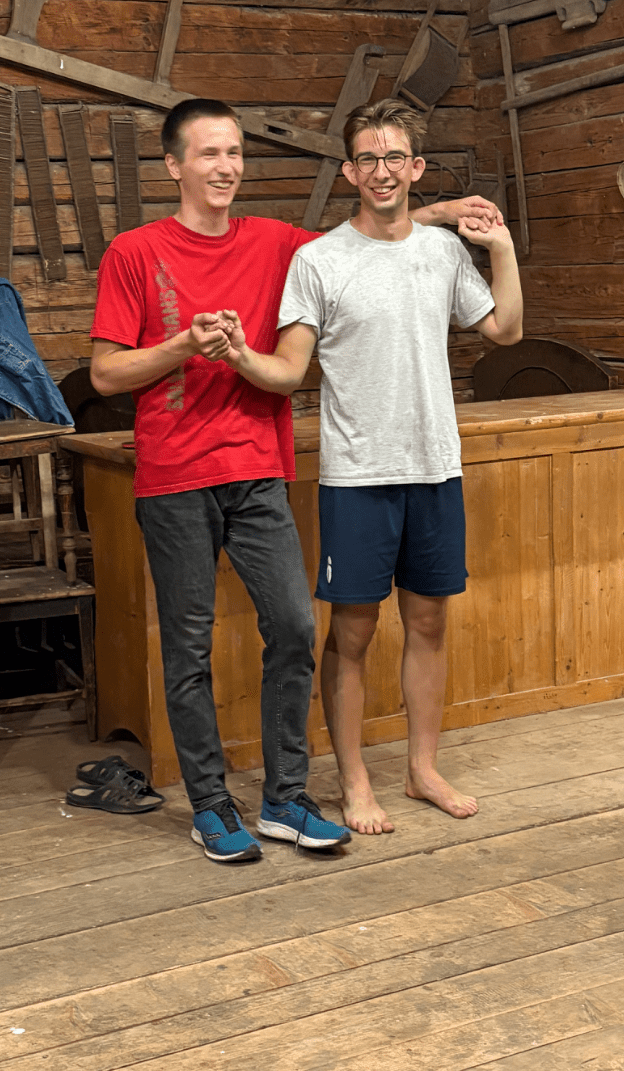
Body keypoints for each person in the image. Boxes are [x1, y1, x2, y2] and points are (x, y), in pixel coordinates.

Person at [89, 96, 504, 862]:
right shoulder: (134, 252)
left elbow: (372, 235)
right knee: (188, 645)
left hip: (258, 470)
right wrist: (184, 344)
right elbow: (105, 374)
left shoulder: (278, 243)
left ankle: (284, 797)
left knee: (294, 627)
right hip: (174, 475)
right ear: (174, 165)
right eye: (209, 153)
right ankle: (211, 805)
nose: (225, 166)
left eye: (234, 152)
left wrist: (444, 210)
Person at [216, 98, 523, 836]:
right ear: (350, 172)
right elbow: (288, 371)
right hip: (358, 476)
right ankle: (353, 782)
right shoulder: (319, 261)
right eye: (367, 160)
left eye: (394, 158)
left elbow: (505, 331)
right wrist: (238, 354)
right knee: (351, 633)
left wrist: (502, 248)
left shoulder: (443, 252)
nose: (381, 171)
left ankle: (422, 770)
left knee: (429, 623)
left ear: (415, 168)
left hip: (435, 468)